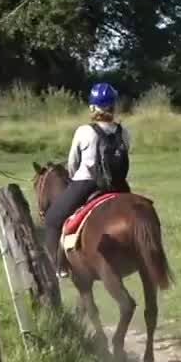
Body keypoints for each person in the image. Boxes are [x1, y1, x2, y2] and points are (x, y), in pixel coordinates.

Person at [41, 82, 132, 278]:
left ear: (92, 107)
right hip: (118, 185)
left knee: (51, 220)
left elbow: (73, 163)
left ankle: (58, 267)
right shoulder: (123, 132)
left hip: (86, 183)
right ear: (113, 106)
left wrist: (74, 180)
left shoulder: (84, 131)